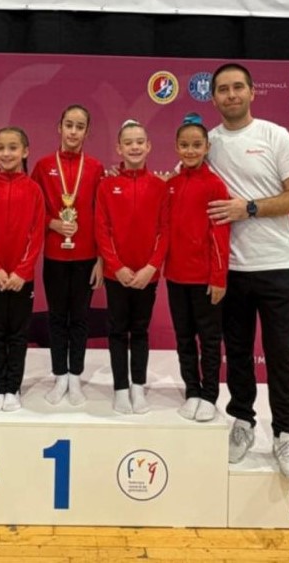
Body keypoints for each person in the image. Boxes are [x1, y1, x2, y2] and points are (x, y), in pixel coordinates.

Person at [207, 63, 289, 481]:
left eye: (238, 87)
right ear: (214, 97)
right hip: (230, 269)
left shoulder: (275, 136)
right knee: (236, 350)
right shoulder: (208, 142)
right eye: (223, 89)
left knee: (281, 352)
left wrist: (248, 207)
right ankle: (243, 421)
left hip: (276, 265)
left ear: (252, 92)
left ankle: (286, 433)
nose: (231, 95)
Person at [31, 105, 105, 406]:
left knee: (80, 318)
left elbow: (103, 216)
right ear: (59, 127)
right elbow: (32, 209)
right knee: (57, 317)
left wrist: (101, 259)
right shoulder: (43, 165)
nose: (73, 132)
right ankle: (59, 375)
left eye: (80, 126)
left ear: (87, 132)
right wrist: (52, 223)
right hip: (55, 256)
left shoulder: (96, 168)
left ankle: (76, 376)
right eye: (69, 125)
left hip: (86, 256)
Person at [95, 120, 169, 415]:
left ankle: (138, 386)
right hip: (117, 275)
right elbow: (102, 230)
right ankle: (120, 389)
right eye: (128, 142)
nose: (134, 147)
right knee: (117, 331)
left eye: (140, 142)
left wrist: (151, 267)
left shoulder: (160, 186)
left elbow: (165, 230)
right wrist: (116, 267)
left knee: (139, 330)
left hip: (147, 276)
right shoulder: (106, 185)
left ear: (148, 146)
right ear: (119, 148)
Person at [0, 126, 45, 412]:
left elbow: (36, 234)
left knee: (17, 334)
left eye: (13, 148)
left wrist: (21, 272)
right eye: (1, 147)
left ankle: (12, 388)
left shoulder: (34, 190)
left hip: (21, 280)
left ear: (25, 151)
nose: (6, 153)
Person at [164, 114, 230, 423]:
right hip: (175, 276)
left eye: (196, 145)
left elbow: (220, 234)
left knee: (210, 339)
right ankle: (192, 389)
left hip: (205, 278)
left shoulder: (215, 185)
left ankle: (209, 395)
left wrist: (218, 277)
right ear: (176, 147)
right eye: (184, 145)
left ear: (207, 147)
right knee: (184, 337)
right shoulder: (171, 184)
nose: (190, 151)